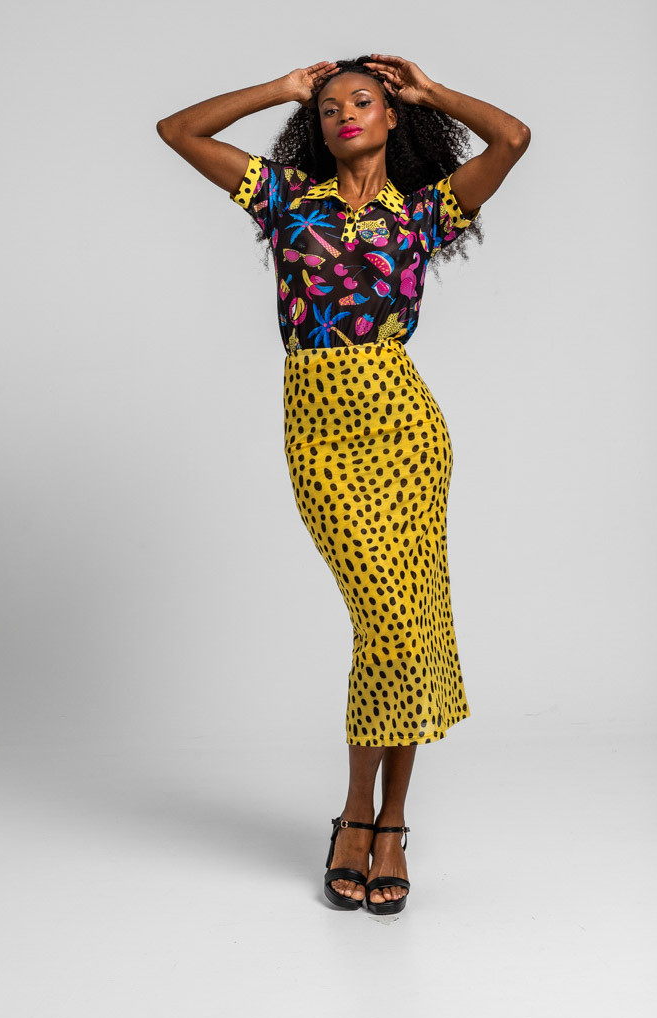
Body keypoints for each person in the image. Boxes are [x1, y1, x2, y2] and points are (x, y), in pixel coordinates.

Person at [156, 54, 530, 914]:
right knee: (386, 619)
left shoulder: (424, 211)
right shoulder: (287, 198)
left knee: (406, 623)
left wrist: (432, 91)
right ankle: (363, 813)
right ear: (314, 126)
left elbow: (512, 139)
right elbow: (178, 131)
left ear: (392, 116)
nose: (343, 114)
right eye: (327, 108)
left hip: (404, 424)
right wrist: (280, 89)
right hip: (320, 426)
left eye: (361, 101)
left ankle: (381, 823)